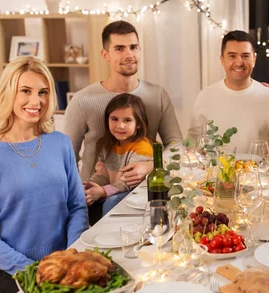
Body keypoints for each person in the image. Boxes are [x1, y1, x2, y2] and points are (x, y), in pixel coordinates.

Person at [0, 56, 88, 293]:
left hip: (62, 262)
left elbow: (77, 206)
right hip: (11, 270)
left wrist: (70, 255)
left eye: (43, 92)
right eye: (26, 91)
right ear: (8, 93)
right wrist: (31, 269)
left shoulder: (60, 143)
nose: (37, 101)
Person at [64, 20, 182, 184]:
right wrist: (77, 198)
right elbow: (67, 157)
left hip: (143, 194)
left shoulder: (158, 95)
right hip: (94, 198)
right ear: (105, 55)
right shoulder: (82, 100)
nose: (129, 55)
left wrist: (151, 165)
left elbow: (177, 147)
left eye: (133, 47)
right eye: (119, 49)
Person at [189, 30, 269, 153]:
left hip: (258, 170)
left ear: (254, 59)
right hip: (216, 171)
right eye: (232, 56)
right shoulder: (204, 97)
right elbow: (193, 142)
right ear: (222, 60)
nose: (239, 62)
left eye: (245, 56)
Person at [84, 93, 153, 224]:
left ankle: (106, 233)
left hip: (132, 194)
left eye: (127, 120)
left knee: (111, 202)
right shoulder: (106, 144)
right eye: (114, 119)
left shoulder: (142, 147)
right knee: (84, 197)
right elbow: (104, 173)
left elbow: (127, 183)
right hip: (114, 189)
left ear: (138, 124)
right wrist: (90, 185)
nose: (120, 125)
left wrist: (103, 192)